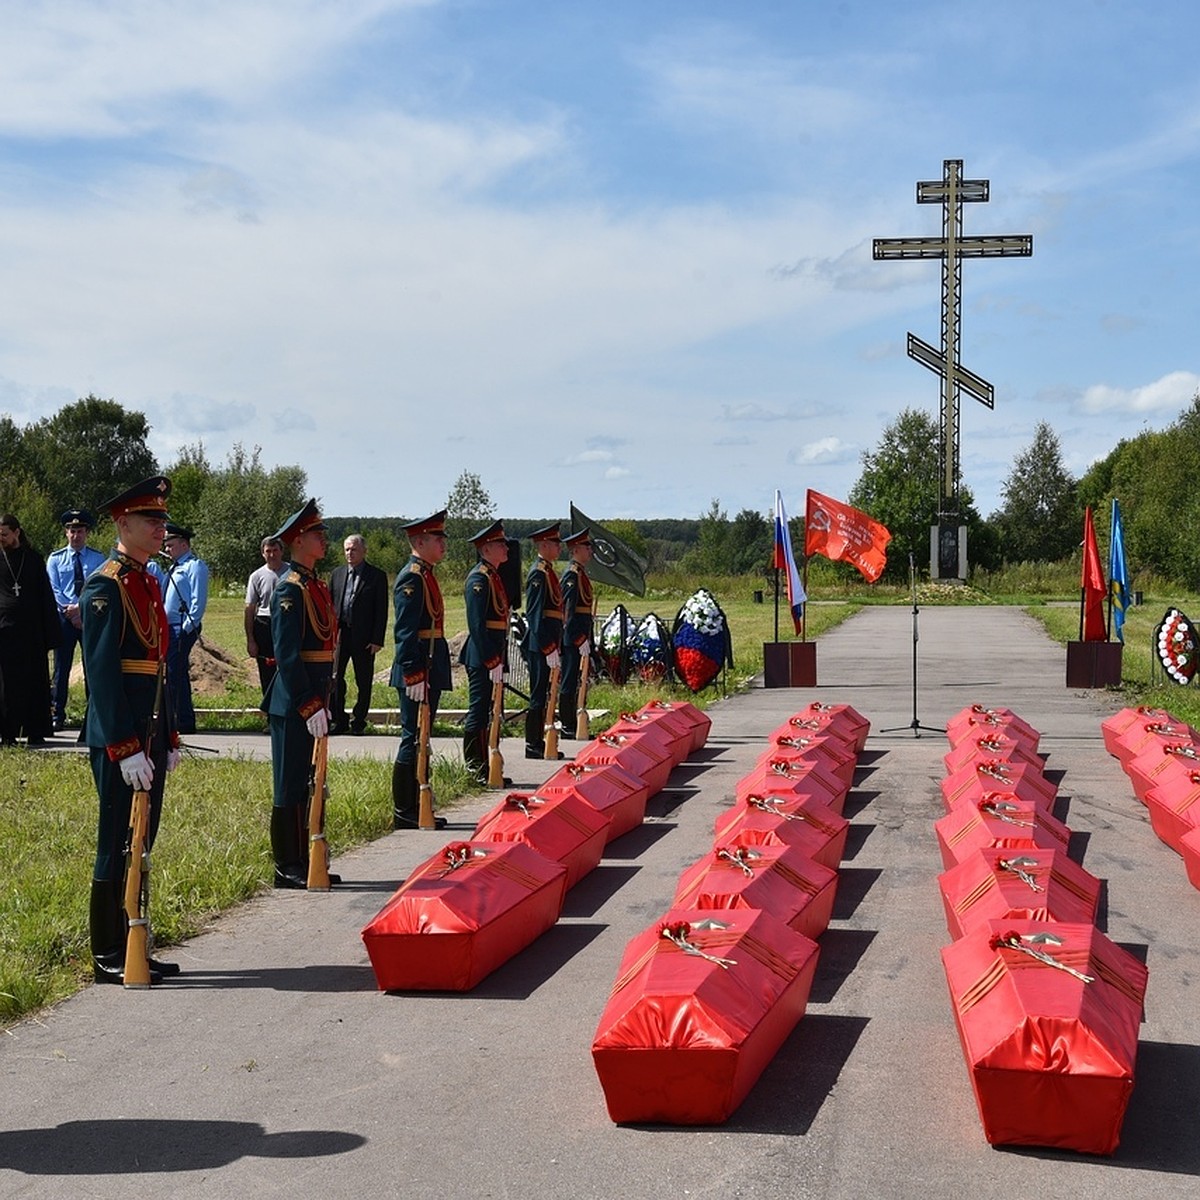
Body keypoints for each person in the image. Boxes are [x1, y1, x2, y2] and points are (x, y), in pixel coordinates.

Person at [79, 476, 180, 984]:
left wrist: (170, 736)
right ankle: (107, 953)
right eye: (151, 520)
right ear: (122, 524)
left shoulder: (146, 579)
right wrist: (124, 746)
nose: (161, 527)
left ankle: (134, 935)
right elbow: (101, 673)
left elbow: (160, 665)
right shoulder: (106, 584)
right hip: (122, 738)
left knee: (142, 840)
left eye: (162, 519)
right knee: (116, 839)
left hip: (151, 733)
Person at [263, 499, 340, 889]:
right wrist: (309, 703)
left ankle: (309, 856)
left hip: (315, 698)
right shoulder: (288, 590)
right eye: (316, 534)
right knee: (290, 783)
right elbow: (287, 654)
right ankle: (286, 864)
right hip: (294, 702)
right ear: (297, 542)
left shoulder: (314, 585)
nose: (323, 539)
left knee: (312, 780)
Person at [389, 511, 450, 829]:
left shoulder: (425, 574)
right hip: (417, 667)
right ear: (419, 542)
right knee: (412, 736)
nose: (443, 544)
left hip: (428, 663)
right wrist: (413, 671)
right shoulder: (411, 577)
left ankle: (418, 801)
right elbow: (405, 630)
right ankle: (404, 809)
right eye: (437, 539)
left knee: (422, 737)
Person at [0, 513, 60, 746]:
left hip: (32, 633)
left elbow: (46, 597)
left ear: (16, 532)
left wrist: (50, 634)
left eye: (5, 534)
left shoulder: (33, 559)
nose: (2, 539)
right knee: (7, 685)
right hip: (4, 631)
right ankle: (8, 733)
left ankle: (36, 730)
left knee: (35, 682)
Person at [46, 509, 107, 730]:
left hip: (89, 617)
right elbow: (53, 589)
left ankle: (93, 716)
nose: (76, 535)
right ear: (66, 533)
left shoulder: (98, 558)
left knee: (93, 667)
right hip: (64, 619)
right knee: (61, 669)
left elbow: (99, 587)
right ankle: (57, 713)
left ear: (87, 533)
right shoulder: (55, 559)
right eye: (72, 531)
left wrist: (81, 609)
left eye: (80, 531)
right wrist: (70, 611)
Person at [459, 520, 510, 782]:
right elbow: (477, 625)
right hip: (482, 656)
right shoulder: (479, 578)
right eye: (500, 544)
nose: (506, 548)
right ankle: (474, 766)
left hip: (493, 654)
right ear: (486, 548)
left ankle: (488, 765)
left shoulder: (492, 576)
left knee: (491, 709)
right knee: (478, 709)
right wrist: (491, 659)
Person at [329, 534, 388, 734]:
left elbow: (381, 610)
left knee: (363, 680)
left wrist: (377, 639)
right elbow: (330, 606)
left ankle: (359, 721)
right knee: (335, 678)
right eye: (346, 549)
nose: (349, 553)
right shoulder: (336, 574)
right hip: (340, 635)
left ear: (364, 551)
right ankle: (340, 719)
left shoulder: (376, 576)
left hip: (364, 637)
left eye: (353, 549)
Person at [152, 523, 208, 734]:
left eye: (171, 545)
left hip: (181, 627)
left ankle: (181, 720)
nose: (167, 549)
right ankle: (179, 718)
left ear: (184, 544)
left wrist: (185, 628)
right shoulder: (175, 567)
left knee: (175, 674)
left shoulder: (195, 566)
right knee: (174, 674)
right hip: (169, 627)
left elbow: (198, 601)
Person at [522, 521, 563, 760]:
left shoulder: (548, 571)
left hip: (548, 642)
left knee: (544, 693)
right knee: (537, 695)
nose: (559, 546)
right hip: (539, 645)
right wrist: (548, 647)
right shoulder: (538, 573)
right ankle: (533, 743)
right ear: (544, 545)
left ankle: (540, 741)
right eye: (555, 542)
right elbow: (535, 615)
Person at [558, 528, 595, 737]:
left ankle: (574, 722)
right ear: (575, 550)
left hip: (580, 635)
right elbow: (568, 612)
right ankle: (567, 725)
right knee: (569, 681)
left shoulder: (580, 573)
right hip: (572, 638)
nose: (590, 550)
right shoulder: (571, 576)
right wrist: (579, 638)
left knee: (576, 680)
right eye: (586, 547)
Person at [244, 535, 285, 698]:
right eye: (268, 551)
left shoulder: (292, 573)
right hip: (264, 624)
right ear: (263, 553)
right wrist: (250, 639)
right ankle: (270, 715)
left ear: (282, 551)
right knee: (267, 672)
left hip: (285, 624)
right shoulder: (256, 576)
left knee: (287, 669)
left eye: (275, 550)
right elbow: (249, 608)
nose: (272, 554)